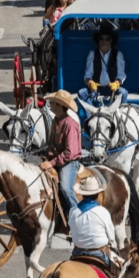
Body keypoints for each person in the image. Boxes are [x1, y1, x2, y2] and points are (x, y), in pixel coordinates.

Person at [40, 90, 82, 219]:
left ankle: (79, 216)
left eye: (53, 103)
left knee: (65, 188)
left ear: (59, 106)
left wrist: (51, 162)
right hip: (57, 159)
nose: (50, 104)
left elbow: (70, 153)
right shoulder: (55, 121)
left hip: (69, 162)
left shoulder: (70, 124)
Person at [78, 24, 128, 104]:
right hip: (96, 89)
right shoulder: (92, 54)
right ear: (98, 41)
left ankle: (122, 116)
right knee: (81, 93)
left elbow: (121, 74)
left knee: (123, 92)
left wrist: (116, 83)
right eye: (101, 39)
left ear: (111, 41)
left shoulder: (118, 54)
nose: (104, 42)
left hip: (112, 89)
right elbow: (87, 75)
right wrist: (90, 83)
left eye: (107, 39)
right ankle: (91, 115)